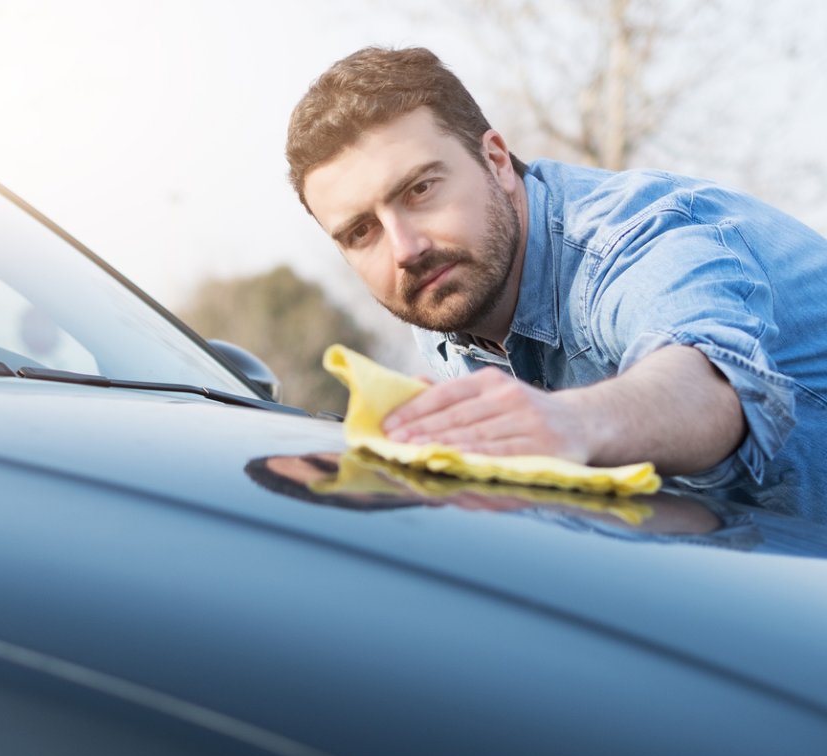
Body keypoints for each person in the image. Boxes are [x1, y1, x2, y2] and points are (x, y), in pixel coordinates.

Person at [285, 46, 827, 522]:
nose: (405, 249)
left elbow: (708, 383)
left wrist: (569, 421)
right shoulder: (445, 299)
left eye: (421, 189)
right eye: (362, 231)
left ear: (495, 160)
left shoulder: (631, 239)